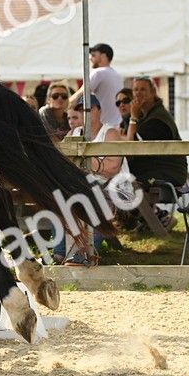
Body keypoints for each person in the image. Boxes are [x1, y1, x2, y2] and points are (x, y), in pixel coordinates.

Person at [58, 95, 130, 267]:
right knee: (60, 199)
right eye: (81, 109)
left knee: (95, 205)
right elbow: (61, 164)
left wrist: (83, 160)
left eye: (90, 108)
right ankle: (60, 255)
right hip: (83, 186)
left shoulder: (109, 132)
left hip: (113, 187)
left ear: (99, 110)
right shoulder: (73, 134)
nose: (85, 112)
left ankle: (81, 255)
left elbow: (113, 168)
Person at [125, 76, 189, 187]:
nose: (138, 93)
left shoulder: (157, 119)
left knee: (124, 182)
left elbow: (131, 147)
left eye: (143, 89)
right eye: (136, 90)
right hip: (156, 170)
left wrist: (133, 116)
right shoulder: (148, 115)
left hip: (168, 173)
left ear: (153, 92)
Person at [68, 44, 124, 127]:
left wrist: (65, 105)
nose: (90, 58)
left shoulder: (98, 72)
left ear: (103, 56)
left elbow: (80, 95)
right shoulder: (117, 75)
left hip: (104, 128)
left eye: (94, 55)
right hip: (117, 126)